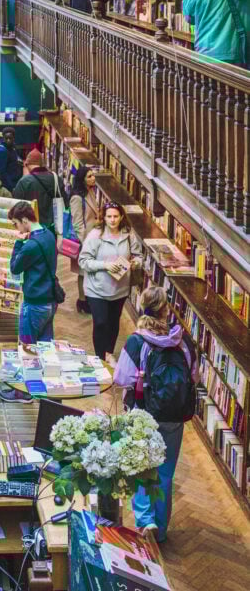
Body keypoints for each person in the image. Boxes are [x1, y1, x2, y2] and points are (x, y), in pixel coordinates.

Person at [114, 286, 198, 544]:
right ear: (166, 310)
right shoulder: (183, 341)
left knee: (142, 468)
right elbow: (194, 377)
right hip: (174, 416)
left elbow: (121, 378)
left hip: (143, 414)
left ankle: (144, 521)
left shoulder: (137, 341)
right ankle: (160, 530)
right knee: (165, 472)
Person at [0, 201, 59, 402]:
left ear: (25, 220)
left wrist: (18, 243)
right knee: (44, 346)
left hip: (34, 301)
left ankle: (23, 392)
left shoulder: (31, 245)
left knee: (27, 348)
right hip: (50, 300)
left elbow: (15, 267)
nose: (16, 228)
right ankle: (45, 387)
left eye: (16, 224)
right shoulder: (49, 235)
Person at [78, 202, 142, 362]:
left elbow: (138, 255)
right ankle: (100, 358)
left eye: (115, 216)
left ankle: (109, 352)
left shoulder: (128, 235)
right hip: (96, 289)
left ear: (121, 217)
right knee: (100, 322)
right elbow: (83, 261)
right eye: (109, 216)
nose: (112, 220)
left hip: (119, 289)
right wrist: (105, 265)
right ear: (104, 218)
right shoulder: (95, 235)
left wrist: (136, 263)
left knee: (113, 323)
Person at [69, 165, 100, 314]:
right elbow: (77, 223)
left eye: (93, 175)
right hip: (85, 241)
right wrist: (85, 242)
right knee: (83, 272)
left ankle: (86, 299)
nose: (93, 178)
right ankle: (82, 301)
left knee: (87, 271)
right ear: (82, 180)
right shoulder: (77, 198)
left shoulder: (91, 192)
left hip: (94, 238)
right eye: (89, 176)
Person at [12, 148, 68, 231]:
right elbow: (65, 202)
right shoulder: (56, 178)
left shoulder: (24, 182)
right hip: (55, 227)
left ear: (27, 164)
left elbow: (16, 206)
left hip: (33, 228)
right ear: (42, 164)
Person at [0, 126, 22, 193]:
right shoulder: (2, 152)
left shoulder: (12, 147)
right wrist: (11, 187)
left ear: (14, 138)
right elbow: (1, 173)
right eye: (6, 138)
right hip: (8, 185)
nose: (8, 140)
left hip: (14, 180)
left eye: (10, 138)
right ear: (3, 138)